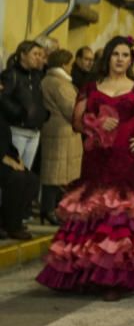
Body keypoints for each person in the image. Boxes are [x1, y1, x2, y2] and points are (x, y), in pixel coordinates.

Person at [36, 36, 134, 300]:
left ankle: (115, 278)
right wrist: (95, 124)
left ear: (131, 60)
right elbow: (76, 123)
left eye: (125, 55)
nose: (120, 59)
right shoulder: (90, 88)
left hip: (127, 162)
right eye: (115, 54)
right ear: (107, 57)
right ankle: (87, 274)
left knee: (120, 216)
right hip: (97, 160)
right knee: (95, 212)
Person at [39, 49, 82, 226]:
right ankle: (51, 210)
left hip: (54, 130)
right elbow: (72, 109)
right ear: (63, 65)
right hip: (63, 133)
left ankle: (51, 209)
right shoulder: (60, 84)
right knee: (56, 174)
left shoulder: (47, 80)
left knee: (54, 172)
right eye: (70, 64)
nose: (71, 67)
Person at [0, 40, 48, 170]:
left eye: (40, 54)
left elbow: (38, 99)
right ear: (23, 55)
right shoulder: (11, 74)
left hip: (34, 132)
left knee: (26, 174)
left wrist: (43, 114)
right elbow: (3, 98)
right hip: (17, 131)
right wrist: (19, 113)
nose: (38, 57)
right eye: (35, 54)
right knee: (12, 173)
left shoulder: (37, 76)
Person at [0, 110, 39, 240]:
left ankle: (11, 221)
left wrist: (17, 158)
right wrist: (5, 158)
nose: (1, 88)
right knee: (17, 178)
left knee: (31, 179)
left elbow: (7, 142)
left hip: (6, 158)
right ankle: (12, 226)